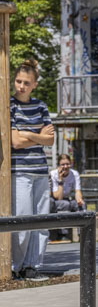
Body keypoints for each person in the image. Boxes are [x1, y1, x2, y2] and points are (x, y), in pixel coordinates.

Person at [9, 60, 53, 281]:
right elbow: (15, 142)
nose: (21, 86)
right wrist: (38, 135)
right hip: (20, 171)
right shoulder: (9, 106)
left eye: (26, 83)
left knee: (42, 220)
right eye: (18, 81)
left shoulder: (41, 106)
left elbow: (51, 139)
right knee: (23, 220)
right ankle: (16, 266)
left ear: (34, 84)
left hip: (40, 171)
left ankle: (33, 266)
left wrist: (30, 133)